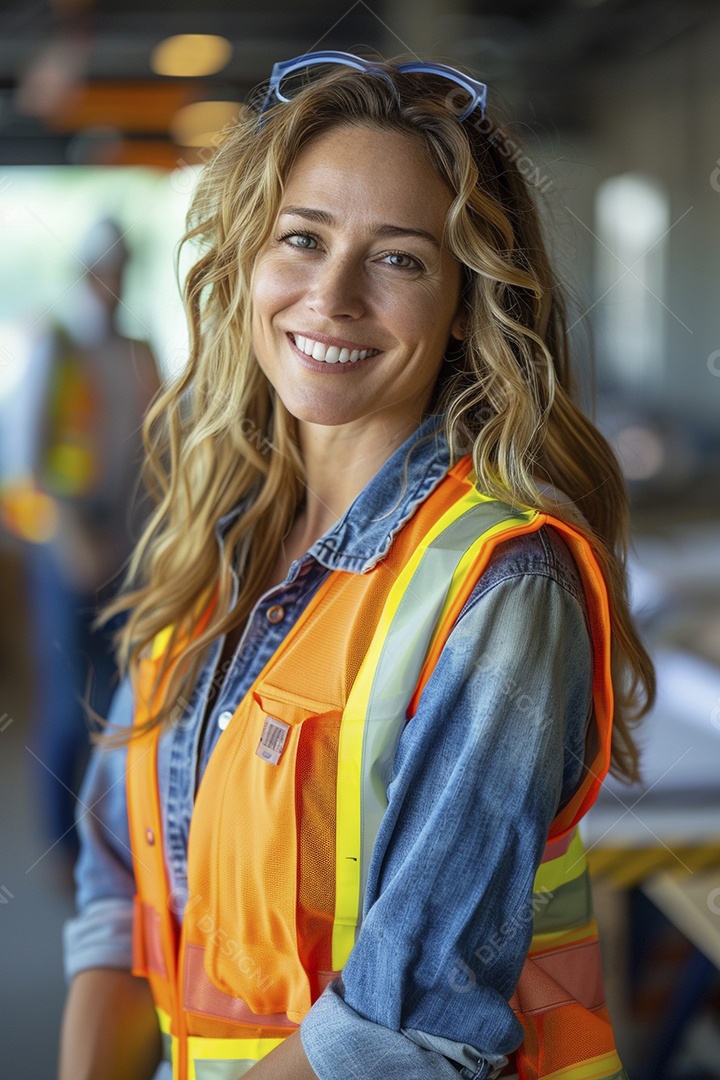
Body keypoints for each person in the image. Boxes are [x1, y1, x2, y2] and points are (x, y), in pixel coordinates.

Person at [59, 52, 654, 1080]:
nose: (331, 296)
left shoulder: (499, 586)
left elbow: (405, 1029)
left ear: (466, 304)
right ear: (249, 259)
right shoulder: (212, 545)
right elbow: (118, 904)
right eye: (303, 238)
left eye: (401, 260)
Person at [2, 219, 160, 858]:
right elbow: (23, 468)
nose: (111, 281)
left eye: (121, 268)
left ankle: (109, 845)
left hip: (129, 552)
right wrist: (70, 542)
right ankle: (60, 849)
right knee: (69, 707)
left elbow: (160, 454)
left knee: (121, 702)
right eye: (102, 269)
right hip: (67, 553)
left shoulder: (138, 350)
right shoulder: (57, 346)